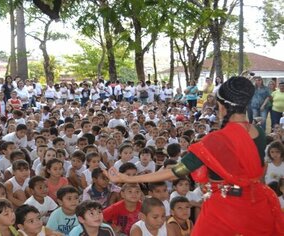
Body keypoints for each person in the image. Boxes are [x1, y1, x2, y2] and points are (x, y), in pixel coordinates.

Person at [105, 76, 284, 235]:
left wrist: (126, 178)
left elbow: (176, 171)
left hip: (223, 210)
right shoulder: (259, 133)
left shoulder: (215, 140)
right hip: (256, 205)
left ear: (221, 107)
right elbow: (259, 174)